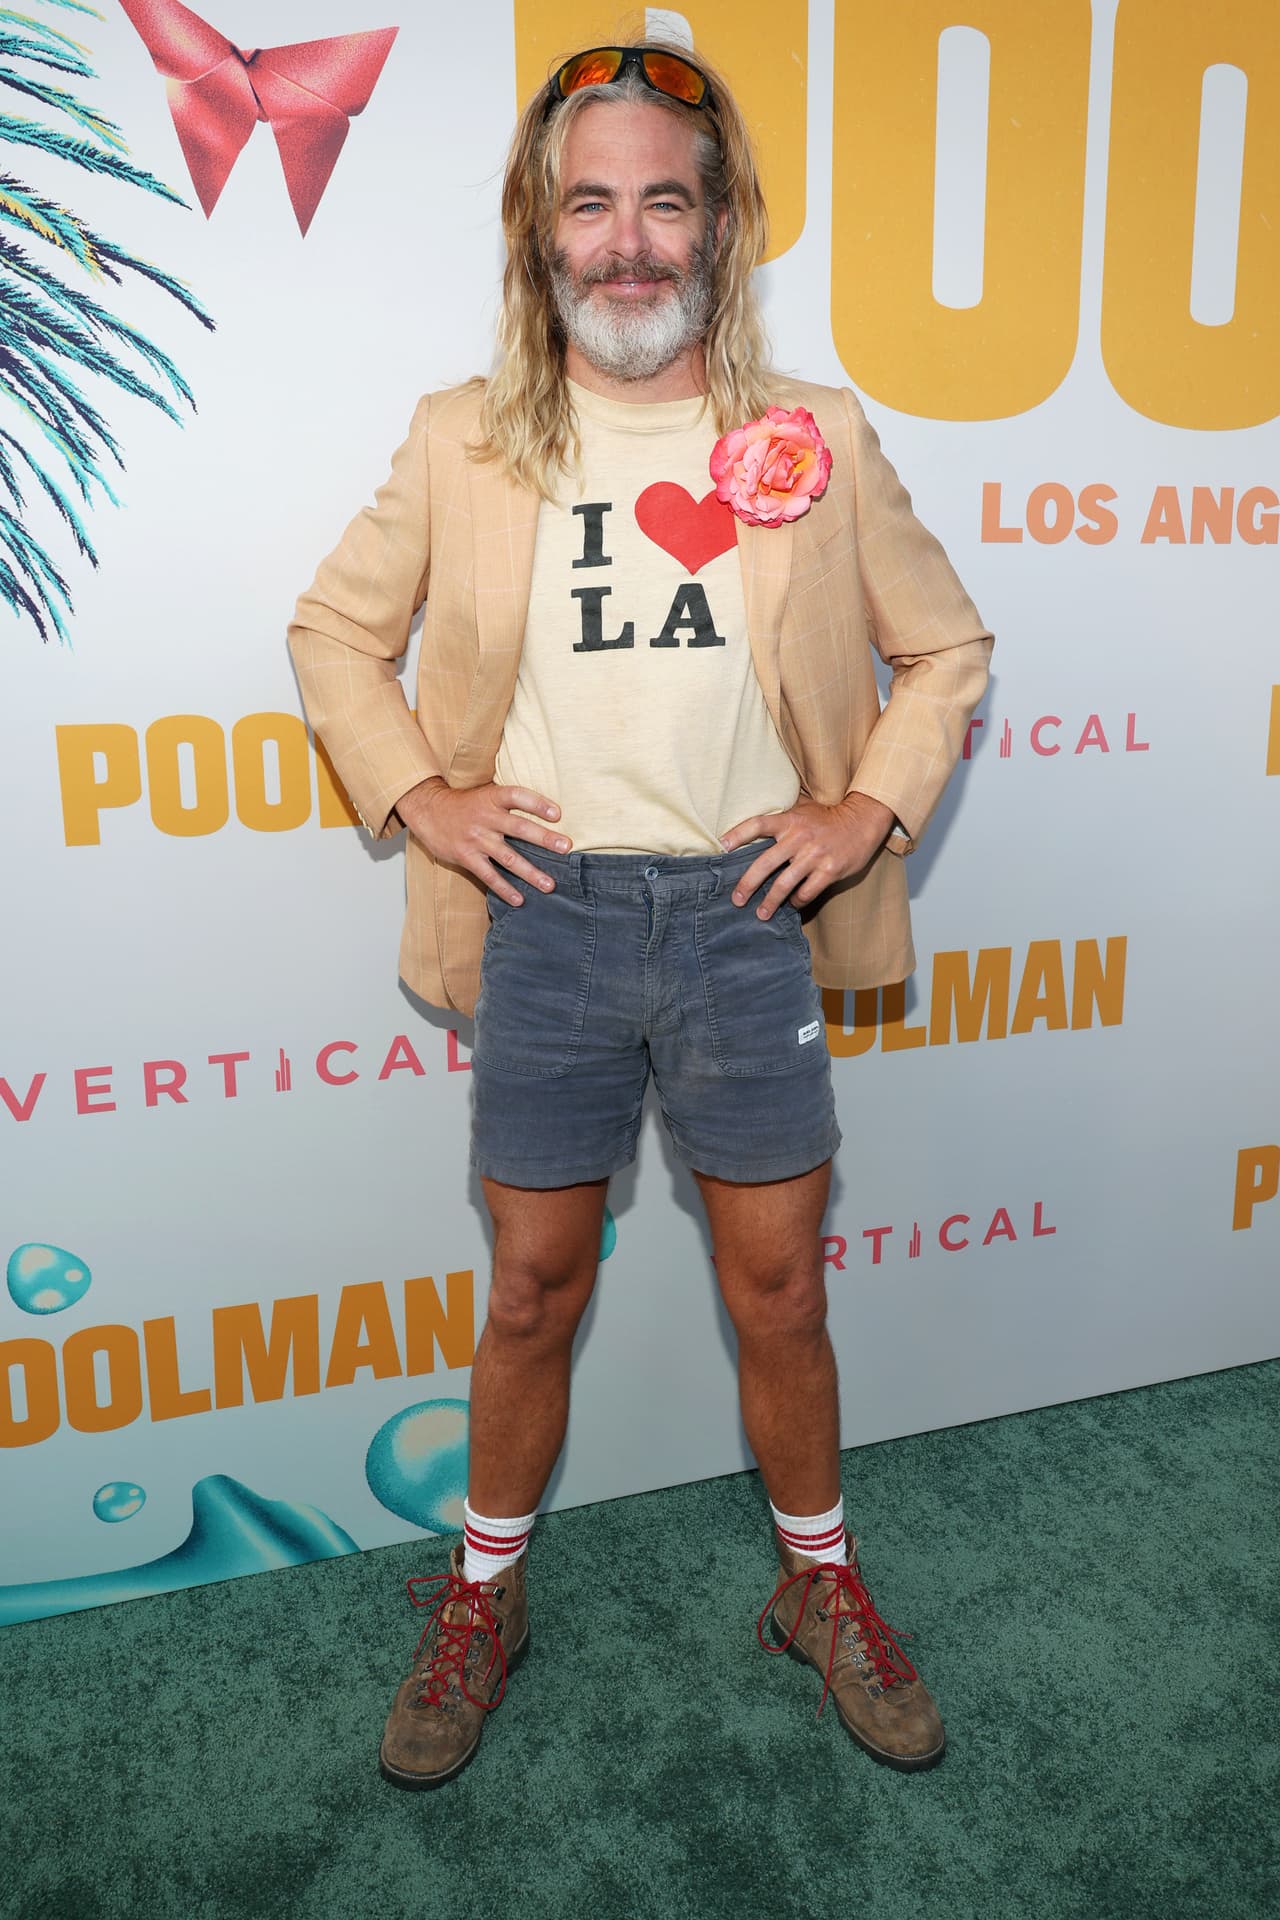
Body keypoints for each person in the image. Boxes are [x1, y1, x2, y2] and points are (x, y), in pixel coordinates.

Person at [288, 40, 993, 1788]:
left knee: (780, 1289)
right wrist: (421, 795)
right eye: (587, 204)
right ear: (542, 233)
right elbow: (331, 631)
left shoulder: (812, 437)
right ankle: (481, 1594)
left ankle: (817, 1588)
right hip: (550, 920)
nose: (625, 242)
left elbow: (947, 645)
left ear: (721, 225)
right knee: (530, 1288)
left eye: (661, 202)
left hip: (749, 921)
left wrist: (863, 810)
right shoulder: (463, 437)